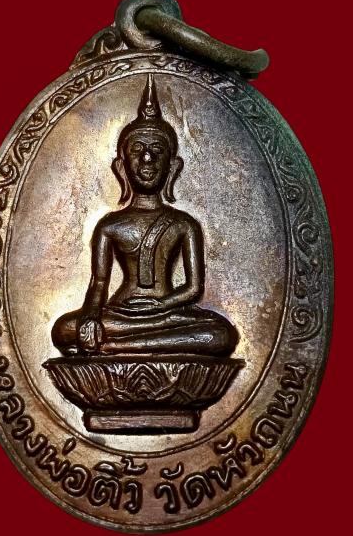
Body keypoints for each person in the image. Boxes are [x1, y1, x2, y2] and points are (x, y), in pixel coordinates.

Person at [52, 75, 238, 356]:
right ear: (121, 166)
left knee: (220, 334)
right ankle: (114, 339)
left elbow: (194, 288)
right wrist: (90, 317)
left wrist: (161, 306)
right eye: (137, 150)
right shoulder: (109, 226)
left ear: (172, 167)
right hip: (121, 313)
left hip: (167, 313)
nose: (147, 159)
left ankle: (115, 346)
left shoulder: (184, 224)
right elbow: (98, 283)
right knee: (64, 330)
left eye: (156, 151)